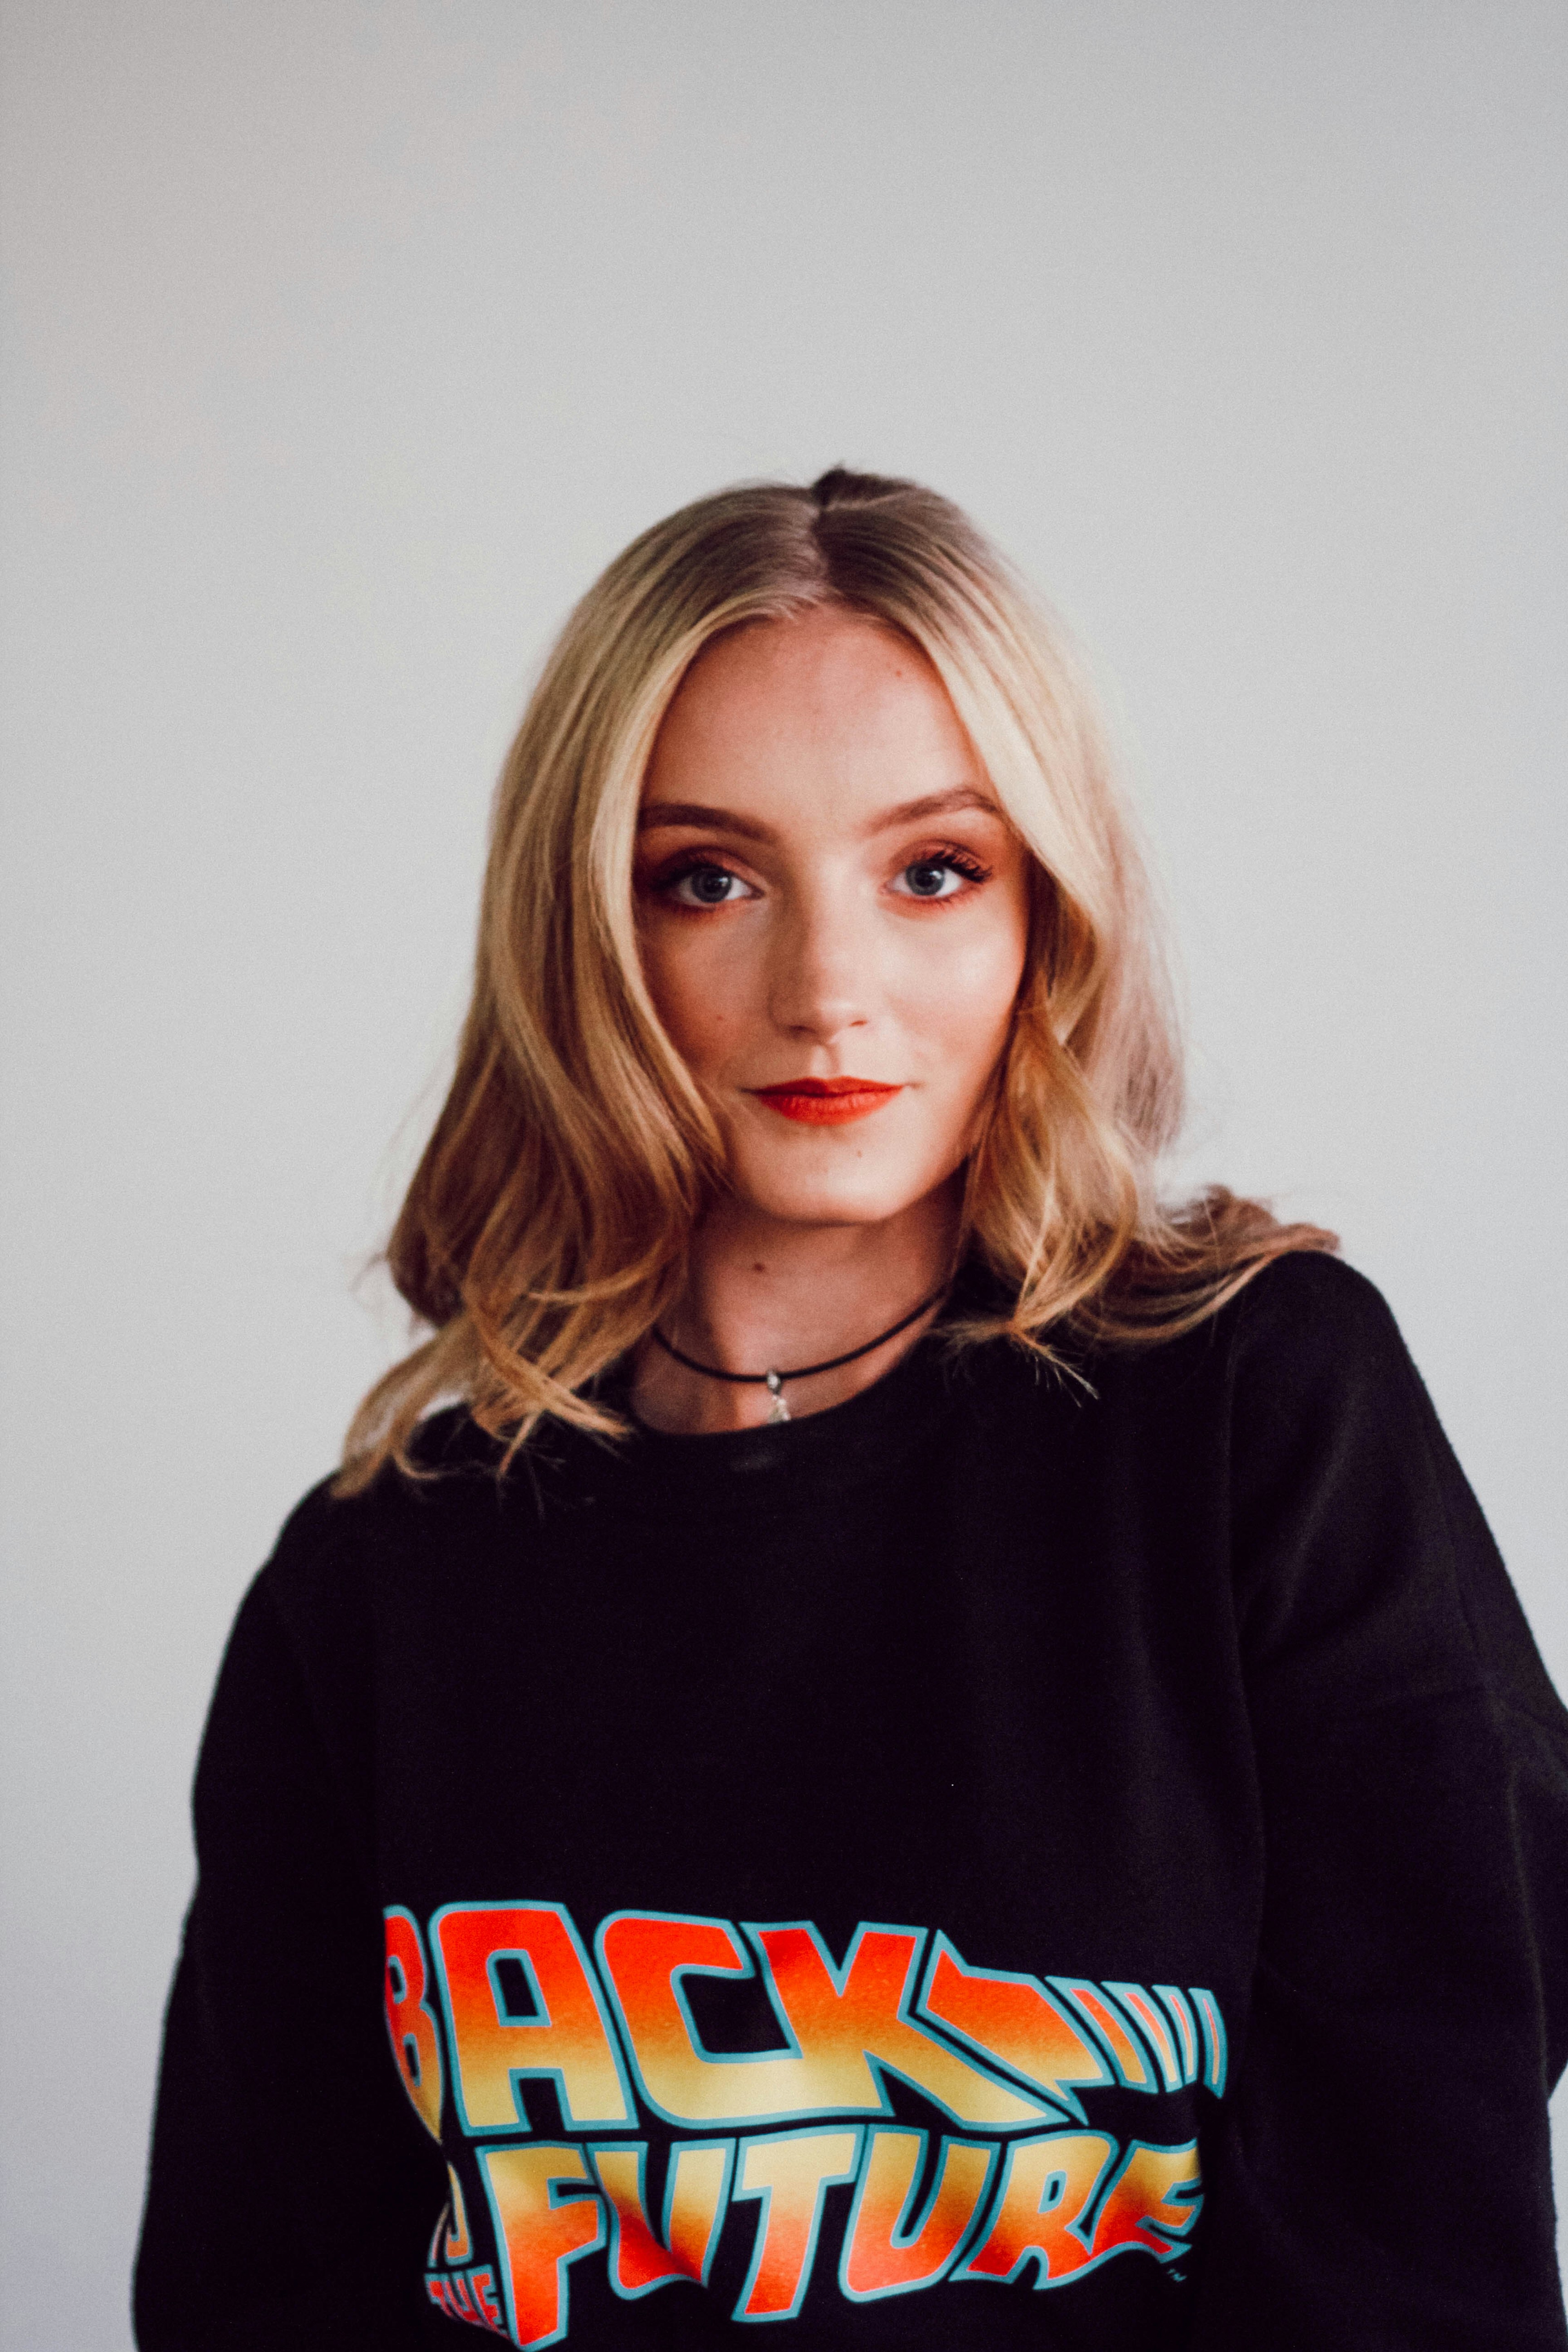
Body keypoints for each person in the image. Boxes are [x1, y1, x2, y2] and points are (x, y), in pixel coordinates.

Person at [134, 470, 1568, 2350]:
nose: (830, 989)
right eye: (709, 878)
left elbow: (1423, 2238)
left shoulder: (1260, 1417)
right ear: (587, 930)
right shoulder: (379, 1575)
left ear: (1043, 914)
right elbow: (268, 2294)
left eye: (934, 871)